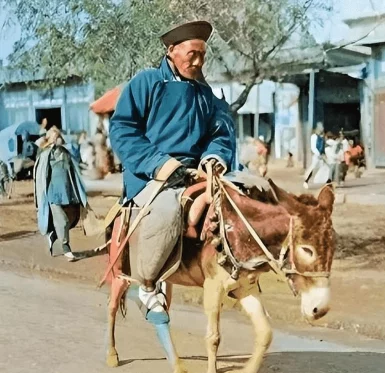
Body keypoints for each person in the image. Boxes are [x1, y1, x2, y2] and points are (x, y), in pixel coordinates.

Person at [108, 19, 236, 325]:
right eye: (192, 53)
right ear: (171, 50)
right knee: (168, 211)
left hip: (195, 172)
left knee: (240, 202)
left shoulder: (206, 94)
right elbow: (123, 129)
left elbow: (220, 132)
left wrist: (214, 157)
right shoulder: (146, 83)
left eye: (203, 55)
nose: (198, 61)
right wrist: (159, 164)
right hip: (150, 174)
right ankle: (148, 285)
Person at [34, 128, 98, 260]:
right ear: (49, 138)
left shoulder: (67, 153)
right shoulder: (45, 155)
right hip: (53, 194)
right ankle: (66, 248)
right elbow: (40, 176)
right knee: (62, 221)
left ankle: (53, 236)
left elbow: (76, 158)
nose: (57, 137)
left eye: (58, 135)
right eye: (54, 136)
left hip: (68, 193)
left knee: (70, 219)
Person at [303, 123, 326, 189]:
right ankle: (306, 181)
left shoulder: (322, 137)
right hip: (316, 156)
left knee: (324, 168)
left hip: (321, 155)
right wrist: (318, 154)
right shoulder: (314, 136)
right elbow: (313, 147)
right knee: (313, 168)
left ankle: (325, 183)